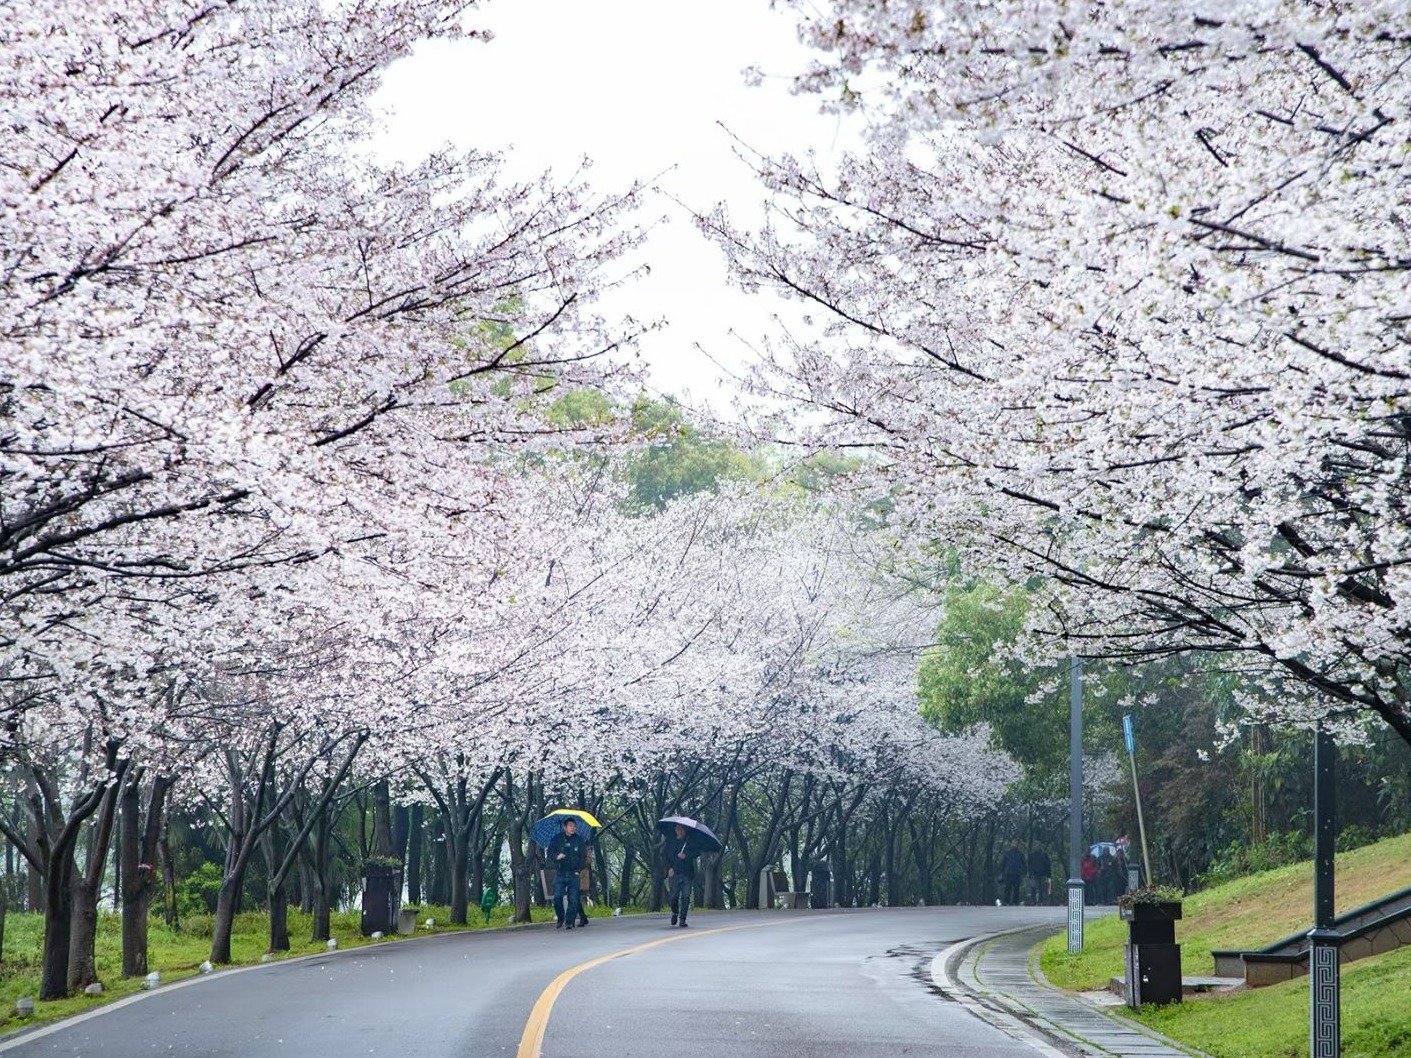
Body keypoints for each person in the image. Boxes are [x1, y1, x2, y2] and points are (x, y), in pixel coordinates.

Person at [547, 817, 587, 930]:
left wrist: (578, 871)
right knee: (558, 897)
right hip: (560, 873)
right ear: (565, 827)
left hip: (573, 874)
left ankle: (569, 921)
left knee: (573, 899)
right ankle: (561, 918)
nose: (572, 828)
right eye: (570, 826)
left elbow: (583, 857)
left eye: (574, 826)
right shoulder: (557, 839)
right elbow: (550, 852)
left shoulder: (579, 840)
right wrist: (557, 857)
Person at [664, 823, 701, 927]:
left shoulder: (689, 841)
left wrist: (686, 855)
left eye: (681, 829)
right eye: (677, 829)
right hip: (674, 873)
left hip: (687, 874)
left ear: (684, 831)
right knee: (673, 897)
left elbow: (697, 853)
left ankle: (682, 919)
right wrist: (669, 868)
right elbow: (665, 856)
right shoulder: (670, 842)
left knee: (686, 896)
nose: (679, 831)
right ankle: (675, 912)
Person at [1000, 840, 1026, 906]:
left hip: (1017, 874)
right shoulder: (1007, 853)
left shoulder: (1020, 854)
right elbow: (1003, 863)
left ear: (1018, 845)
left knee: (1016, 889)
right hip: (1009, 873)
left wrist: (1023, 872)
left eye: (1016, 844)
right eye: (1013, 843)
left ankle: (1015, 902)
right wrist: (1002, 872)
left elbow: (1024, 864)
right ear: (1011, 844)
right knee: (1007, 888)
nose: (1014, 845)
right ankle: (1006, 902)